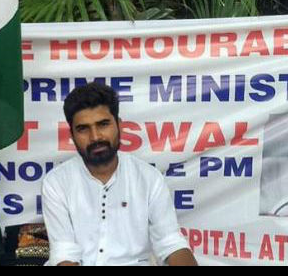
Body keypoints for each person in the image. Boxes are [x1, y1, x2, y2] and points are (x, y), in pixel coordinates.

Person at [41, 82, 197, 266]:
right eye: (83, 129)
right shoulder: (57, 182)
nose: (95, 137)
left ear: (119, 125)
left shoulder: (149, 178)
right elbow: (64, 254)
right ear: (72, 135)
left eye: (103, 124)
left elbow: (170, 242)